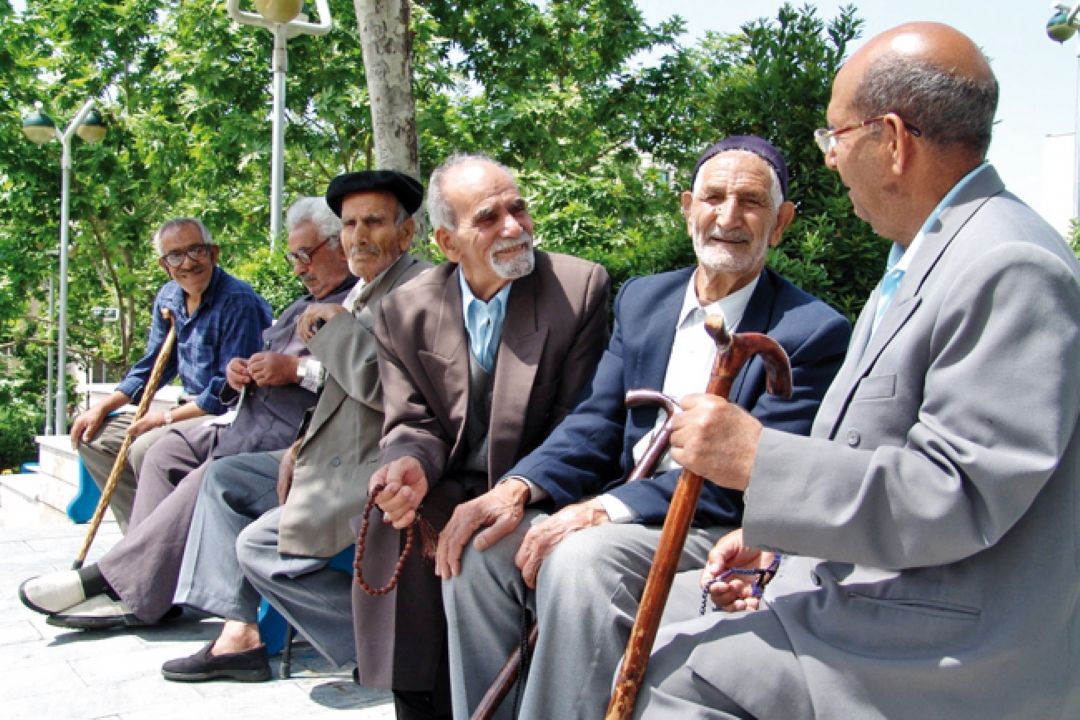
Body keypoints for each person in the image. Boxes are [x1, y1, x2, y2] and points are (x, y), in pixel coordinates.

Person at [633, 22, 1080, 720]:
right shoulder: (922, 258)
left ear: (893, 141)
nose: (832, 161)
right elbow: (880, 455)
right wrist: (776, 541)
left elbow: (956, 493)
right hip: (890, 592)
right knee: (663, 626)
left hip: (951, 638)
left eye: (835, 137)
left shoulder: (1007, 264)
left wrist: (759, 460)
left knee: (684, 675)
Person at [437, 137, 852, 720]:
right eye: (712, 197)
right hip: (628, 513)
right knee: (481, 549)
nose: (728, 217)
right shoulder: (643, 300)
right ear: (687, 208)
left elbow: (745, 482)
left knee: (583, 562)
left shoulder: (810, 332)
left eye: (751, 203)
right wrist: (517, 489)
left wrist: (605, 509)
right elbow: (595, 422)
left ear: (780, 223)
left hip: (716, 528)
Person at [18, 198, 355, 629]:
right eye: (294, 256)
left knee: (203, 474)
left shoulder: (347, 303)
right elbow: (161, 364)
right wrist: (243, 372)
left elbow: (360, 375)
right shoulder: (295, 302)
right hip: (242, 419)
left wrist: (292, 370)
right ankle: (148, 584)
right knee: (160, 454)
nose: (298, 267)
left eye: (307, 255)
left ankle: (118, 583)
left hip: (285, 436)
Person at [363, 153, 611, 720]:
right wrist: (408, 465)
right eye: (488, 217)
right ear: (448, 244)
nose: (514, 227)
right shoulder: (405, 308)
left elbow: (580, 422)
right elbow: (411, 420)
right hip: (448, 483)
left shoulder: (577, 287)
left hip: (536, 487)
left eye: (517, 207)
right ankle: (419, 705)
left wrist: (519, 492)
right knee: (393, 522)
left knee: (478, 545)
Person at [162, 170, 431, 684]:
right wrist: (297, 445)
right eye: (350, 223)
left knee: (260, 546)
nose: (359, 234)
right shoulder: (363, 291)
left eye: (373, 221)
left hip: (374, 467)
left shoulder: (417, 287)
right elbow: (334, 390)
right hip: (325, 456)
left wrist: (334, 330)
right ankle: (239, 633)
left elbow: (384, 389)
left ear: (406, 232)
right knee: (224, 479)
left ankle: (387, 641)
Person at [71, 217, 272, 531]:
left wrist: (164, 419)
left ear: (214, 253)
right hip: (186, 407)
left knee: (143, 448)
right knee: (93, 439)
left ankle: (155, 544)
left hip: (226, 415)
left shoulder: (238, 301)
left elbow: (227, 391)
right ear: (164, 265)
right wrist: (103, 407)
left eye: (196, 251)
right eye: (175, 256)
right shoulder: (169, 298)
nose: (188, 263)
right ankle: (140, 535)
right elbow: (155, 366)